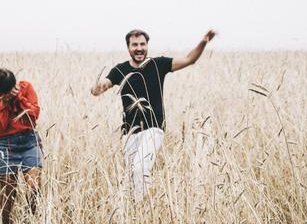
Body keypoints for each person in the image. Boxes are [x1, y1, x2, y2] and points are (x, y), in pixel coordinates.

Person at [91, 29, 216, 201]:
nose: (139, 48)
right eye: (135, 45)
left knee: (140, 168)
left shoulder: (158, 64)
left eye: (142, 44)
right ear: (128, 47)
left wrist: (203, 41)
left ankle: (143, 208)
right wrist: (97, 87)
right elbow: (100, 88)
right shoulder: (120, 70)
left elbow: (189, 60)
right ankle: (138, 211)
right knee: (132, 176)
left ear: (147, 45)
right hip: (128, 133)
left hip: (153, 128)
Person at [0, 68, 43, 224]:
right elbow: (0, 127)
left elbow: (34, 115)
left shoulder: (26, 88)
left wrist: (19, 98)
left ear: (14, 85)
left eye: (9, 91)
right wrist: (5, 104)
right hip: (6, 145)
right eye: (2, 93)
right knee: (7, 196)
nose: (6, 95)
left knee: (34, 189)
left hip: (29, 141)